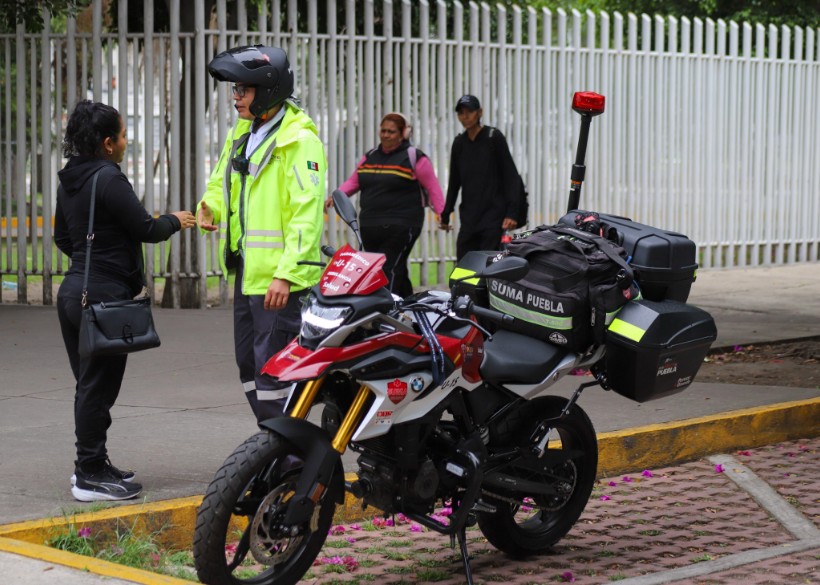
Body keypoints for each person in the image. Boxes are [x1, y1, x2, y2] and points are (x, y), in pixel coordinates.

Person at [55, 100, 197, 502]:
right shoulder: (109, 178)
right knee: (97, 389)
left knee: (90, 385)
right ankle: (88, 474)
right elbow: (145, 228)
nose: (125, 141)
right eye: (121, 134)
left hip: (74, 292)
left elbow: (62, 238)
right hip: (103, 299)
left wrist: (91, 261)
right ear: (107, 143)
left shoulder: (70, 179)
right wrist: (176, 220)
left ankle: (95, 464)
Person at [197, 45, 325, 423]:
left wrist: (287, 274)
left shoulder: (298, 141)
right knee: (248, 366)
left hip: (278, 280)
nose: (235, 97)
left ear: (268, 90)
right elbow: (223, 177)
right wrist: (210, 205)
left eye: (243, 90)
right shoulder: (244, 131)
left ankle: (286, 447)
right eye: (234, 89)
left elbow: (307, 213)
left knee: (273, 372)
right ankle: (274, 438)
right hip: (248, 273)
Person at [329, 112, 444, 298]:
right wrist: (337, 195)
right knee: (394, 267)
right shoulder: (370, 157)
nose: (386, 135)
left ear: (403, 133)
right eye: (383, 131)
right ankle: (407, 303)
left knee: (386, 268)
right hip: (370, 225)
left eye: (391, 131)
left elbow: (433, 188)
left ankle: (385, 308)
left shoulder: (415, 158)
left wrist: (442, 213)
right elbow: (354, 181)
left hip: (402, 225)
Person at [439, 95, 522, 261]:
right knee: (464, 265)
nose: (465, 116)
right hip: (469, 218)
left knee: (487, 265)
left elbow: (511, 176)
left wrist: (512, 213)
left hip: (493, 217)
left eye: (469, 112)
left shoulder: (493, 137)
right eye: (461, 113)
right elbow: (454, 182)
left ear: (479, 112)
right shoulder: (459, 143)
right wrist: (446, 213)